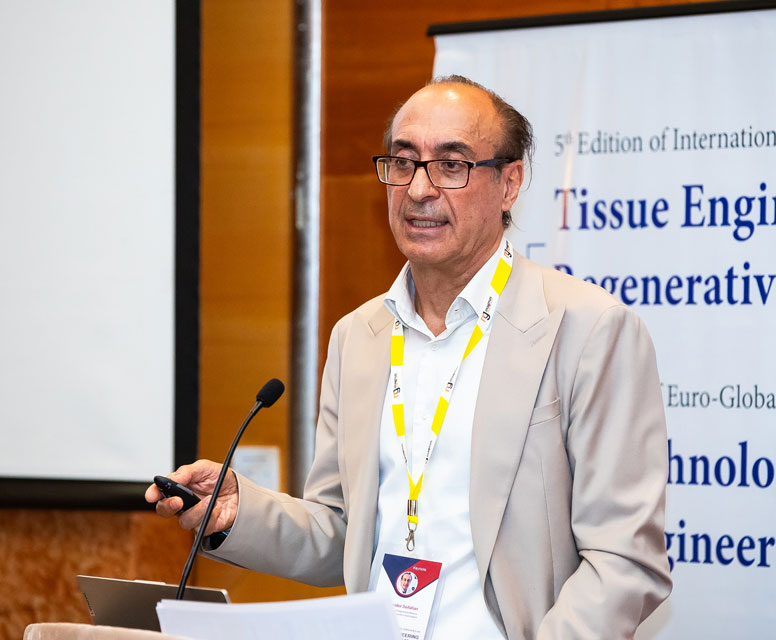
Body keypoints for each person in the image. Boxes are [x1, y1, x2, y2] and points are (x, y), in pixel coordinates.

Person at [147, 75, 672, 639]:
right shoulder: (358, 336)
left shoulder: (588, 329)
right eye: (403, 162)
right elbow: (342, 532)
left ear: (509, 182)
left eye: (451, 165)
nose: (419, 188)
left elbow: (623, 561)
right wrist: (239, 512)